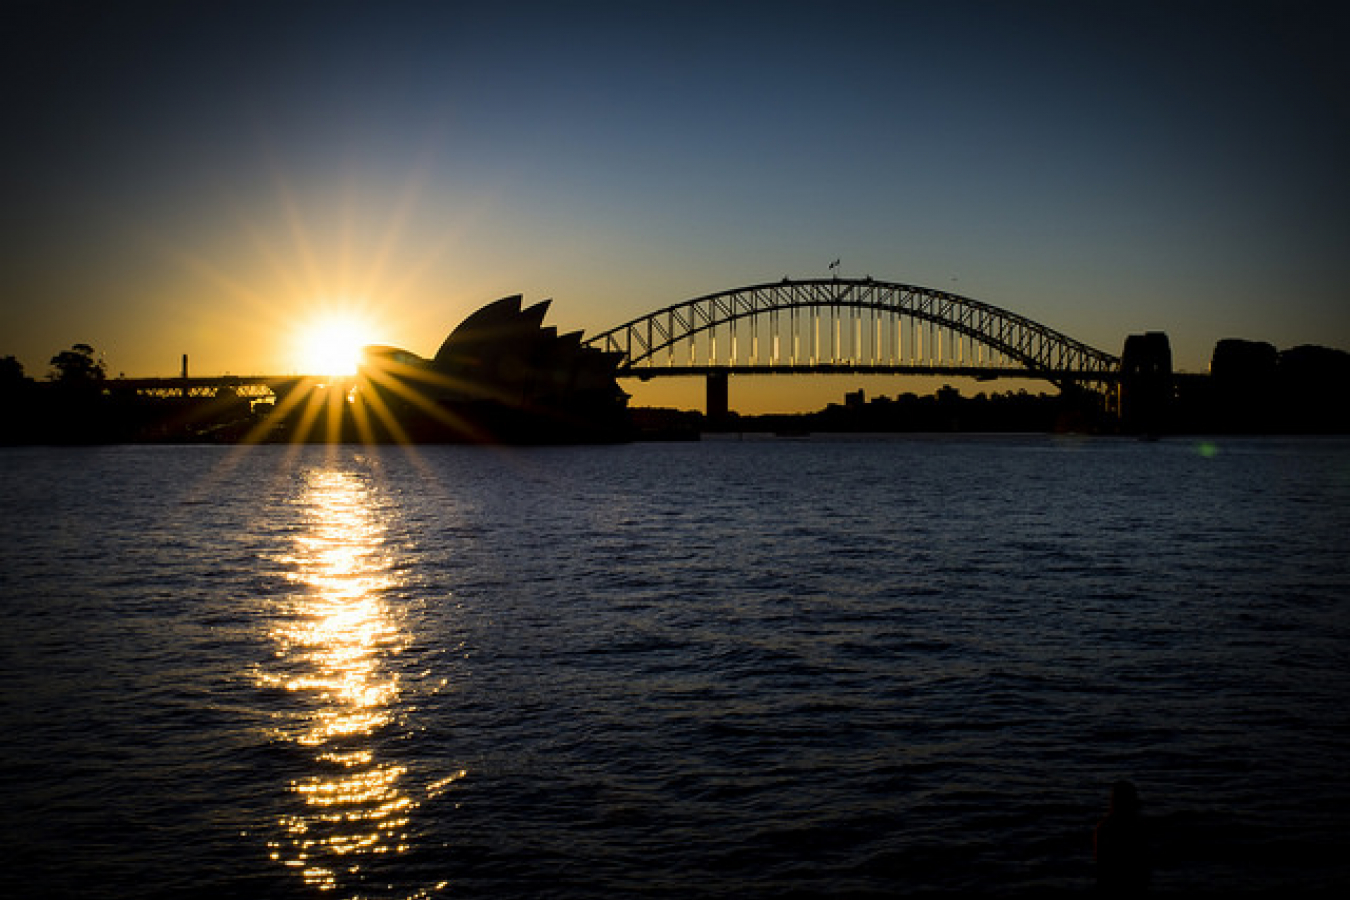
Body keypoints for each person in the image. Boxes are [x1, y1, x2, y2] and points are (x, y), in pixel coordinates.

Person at [1094, 779, 1151, 894]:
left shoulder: (1104, 826)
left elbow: (1099, 859)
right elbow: (1144, 858)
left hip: (1110, 882)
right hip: (1133, 882)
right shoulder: (1138, 825)